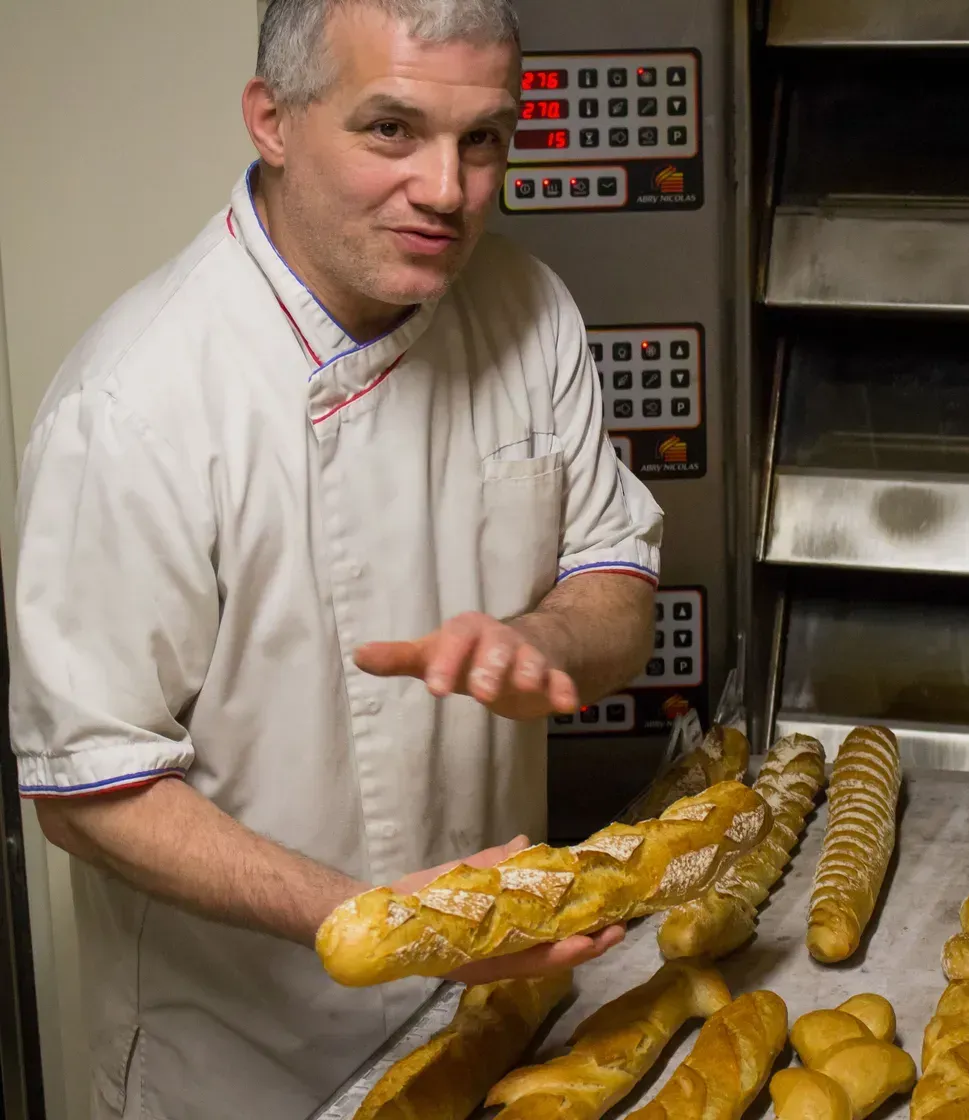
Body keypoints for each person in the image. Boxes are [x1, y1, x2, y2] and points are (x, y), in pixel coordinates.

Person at [8, 0, 663, 1116]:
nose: (448, 191)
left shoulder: (528, 309)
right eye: (391, 131)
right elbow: (88, 786)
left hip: (491, 1010)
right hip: (244, 1059)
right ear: (272, 119)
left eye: (483, 139)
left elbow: (615, 584)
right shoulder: (136, 405)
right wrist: (381, 921)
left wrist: (540, 641)